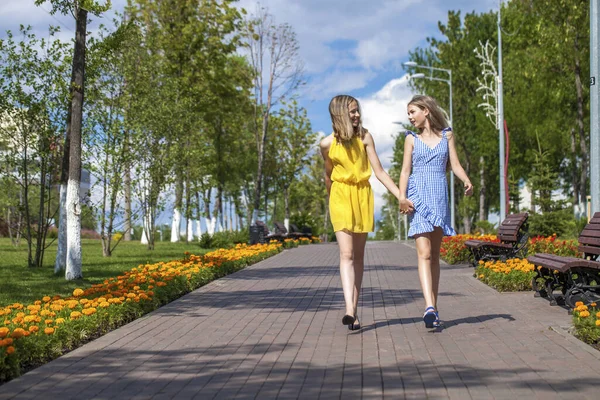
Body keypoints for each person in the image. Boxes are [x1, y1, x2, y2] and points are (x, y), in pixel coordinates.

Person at [320, 94, 401, 331]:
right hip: (340, 197)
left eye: (357, 111)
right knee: (346, 254)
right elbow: (328, 175)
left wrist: (400, 196)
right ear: (339, 114)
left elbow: (380, 172)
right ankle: (348, 308)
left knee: (358, 256)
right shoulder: (326, 144)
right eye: (352, 111)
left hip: (362, 196)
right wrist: (331, 202)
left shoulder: (365, 138)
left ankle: (353, 310)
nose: (356, 115)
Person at [398, 94, 473, 329]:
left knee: (435, 258)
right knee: (424, 253)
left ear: (426, 111)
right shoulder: (411, 140)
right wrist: (402, 197)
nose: (410, 117)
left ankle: (434, 306)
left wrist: (466, 181)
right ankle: (428, 306)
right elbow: (404, 171)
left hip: (439, 198)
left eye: (412, 112)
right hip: (418, 199)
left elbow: (456, 164)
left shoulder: (446, 136)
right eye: (408, 113)